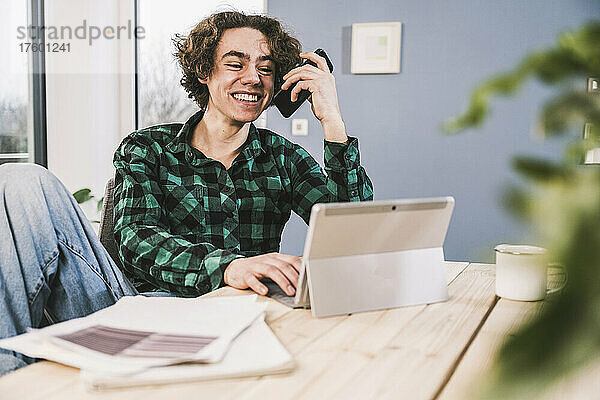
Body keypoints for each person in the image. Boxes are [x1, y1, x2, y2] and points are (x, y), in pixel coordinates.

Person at [0, 11, 372, 376]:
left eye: (266, 67)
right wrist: (228, 266)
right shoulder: (148, 148)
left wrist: (332, 122)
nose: (253, 78)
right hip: (138, 307)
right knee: (22, 180)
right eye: (235, 63)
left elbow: (352, 239)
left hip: (239, 316)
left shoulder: (285, 158)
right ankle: (11, 373)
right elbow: (135, 239)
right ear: (203, 71)